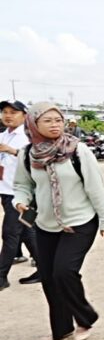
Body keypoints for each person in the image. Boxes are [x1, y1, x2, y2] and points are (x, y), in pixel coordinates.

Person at [12, 102, 104, 340]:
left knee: (64, 271)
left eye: (58, 120)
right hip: (46, 223)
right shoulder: (27, 154)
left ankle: (85, 318)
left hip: (80, 221)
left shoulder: (78, 151)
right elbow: (22, 185)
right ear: (33, 124)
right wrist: (21, 201)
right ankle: (61, 328)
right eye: (47, 121)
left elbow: (95, 188)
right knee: (48, 276)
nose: (55, 125)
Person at [0, 99, 39, 290]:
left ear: (24, 116)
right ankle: (44, 268)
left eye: (13, 112)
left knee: (10, 234)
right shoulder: (5, 135)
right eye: (4, 112)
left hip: (20, 195)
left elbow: (35, 160)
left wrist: (12, 151)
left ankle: (1, 276)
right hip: (6, 191)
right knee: (27, 231)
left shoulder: (27, 137)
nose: (8, 115)